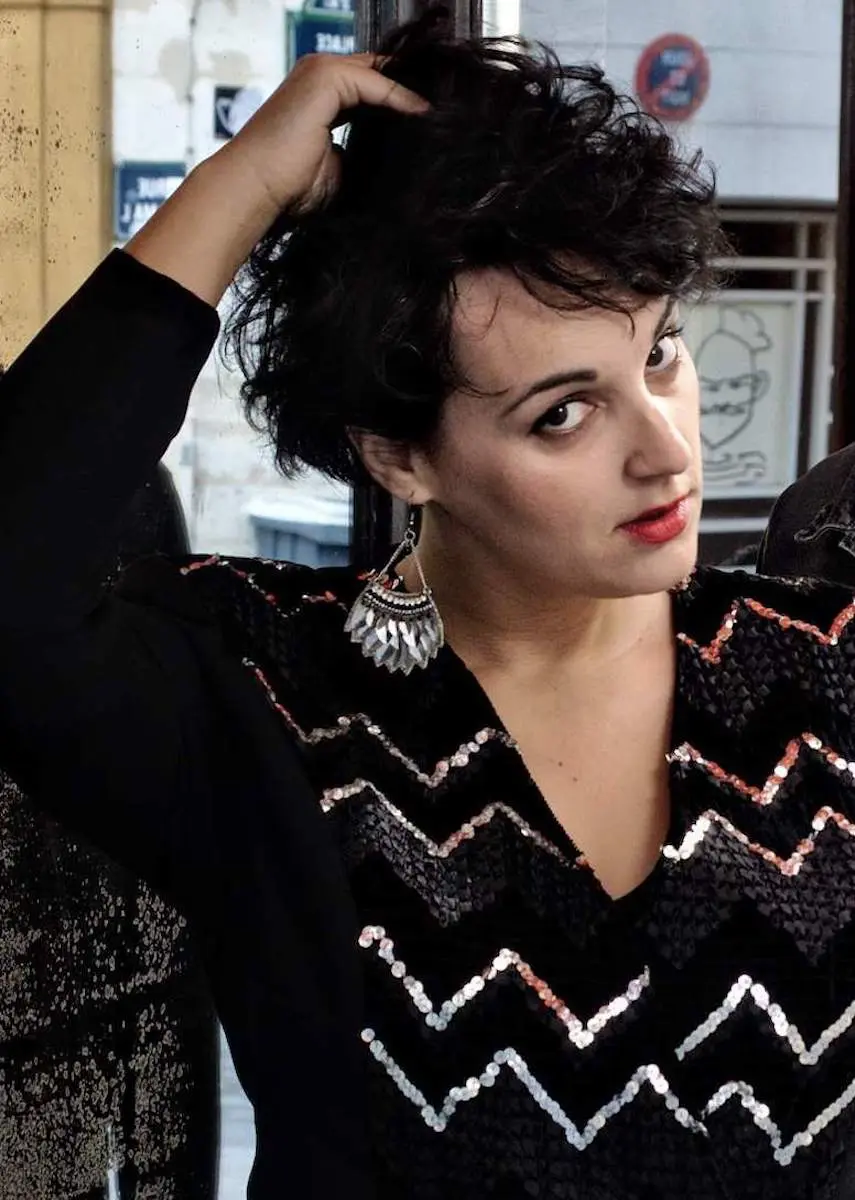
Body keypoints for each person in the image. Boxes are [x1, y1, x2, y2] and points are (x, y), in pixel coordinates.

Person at [2, 9, 855, 1198]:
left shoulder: (824, 664)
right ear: (400, 458)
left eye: (660, 354)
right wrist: (242, 183)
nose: (667, 453)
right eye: (564, 413)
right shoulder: (267, 696)